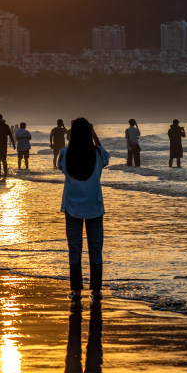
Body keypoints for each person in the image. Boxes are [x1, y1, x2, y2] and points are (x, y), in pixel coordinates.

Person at [59, 118, 109, 299]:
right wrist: (93, 132)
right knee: (95, 249)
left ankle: (76, 290)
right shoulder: (97, 153)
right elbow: (105, 154)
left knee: (75, 249)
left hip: (72, 208)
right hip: (94, 207)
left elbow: (61, 168)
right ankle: (96, 290)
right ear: (89, 133)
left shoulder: (65, 153)